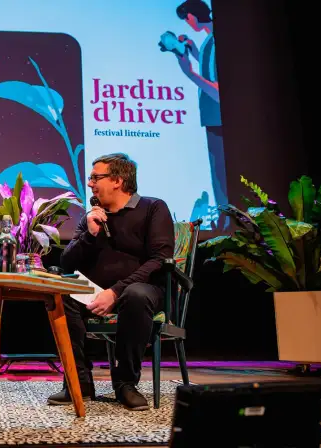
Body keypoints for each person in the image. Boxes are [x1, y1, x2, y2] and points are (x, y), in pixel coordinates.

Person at [47, 153, 174, 411]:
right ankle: (78, 381)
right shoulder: (92, 217)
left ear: (117, 180)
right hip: (96, 292)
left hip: (144, 290)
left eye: (96, 177)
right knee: (59, 290)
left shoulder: (152, 208)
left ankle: (126, 383)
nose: (91, 183)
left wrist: (115, 292)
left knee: (135, 295)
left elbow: (160, 259)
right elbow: (67, 263)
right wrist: (89, 235)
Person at [174, 0, 228, 224]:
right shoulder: (209, 39)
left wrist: (190, 74)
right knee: (218, 179)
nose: (188, 23)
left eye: (187, 18)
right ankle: (225, 220)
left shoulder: (216, 39)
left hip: (219, 120)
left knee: (221, 180)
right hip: (212, 119)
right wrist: (193, 52)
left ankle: (227, 222)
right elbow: (212, 67)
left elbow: (218, 91)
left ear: (193, 16)